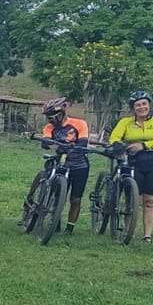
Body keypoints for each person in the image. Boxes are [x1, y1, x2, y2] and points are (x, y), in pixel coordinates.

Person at [108, 90, 153, 243]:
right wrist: (117, 144)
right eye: (138, 105)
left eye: (144, 104)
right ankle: (128, 230)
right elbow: (114, 137)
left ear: (149, 105)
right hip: (134, 162)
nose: (142, 107)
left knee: (150, 200)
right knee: (132, 198)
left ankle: (147, 235)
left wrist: (144, 145)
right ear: (133, 108)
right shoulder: (126, 122)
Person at [36, 97, 91, 234]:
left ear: (61, 114)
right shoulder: (49, 128)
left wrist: (73, 146)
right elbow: (46, 141)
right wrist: (49, 143)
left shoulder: (79, 123)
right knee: (57, 194)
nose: (50, 120)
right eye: (48, 118)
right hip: (60, 162)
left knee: (75, 199)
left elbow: (83, 141)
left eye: (52, 117)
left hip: (79, 164)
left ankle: (70, 227)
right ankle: (56, 222)